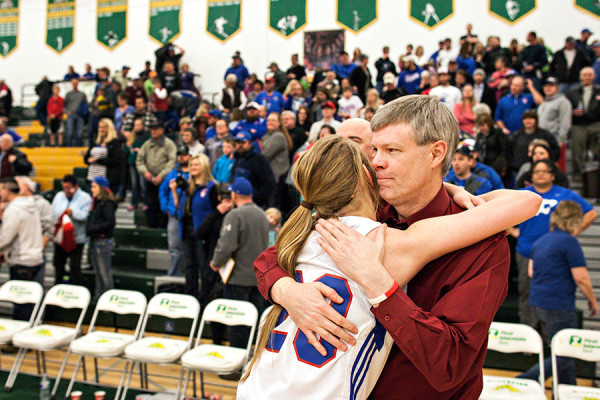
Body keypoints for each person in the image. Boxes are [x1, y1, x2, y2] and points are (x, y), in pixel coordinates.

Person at [252, 95, 542, 399]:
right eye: (375, 149)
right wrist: (288, 291)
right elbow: (271, 258)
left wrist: (382, 289)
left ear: (436, 154)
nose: (377, 161)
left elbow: (450, 364)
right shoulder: (363, 210)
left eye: (392, 150)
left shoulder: (483, 242)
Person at [518, 200, 598, 386]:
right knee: (564, 354)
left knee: (562, 351)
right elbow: (581, 278)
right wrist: (593, 301)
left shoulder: (541, 241)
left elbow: (531, 272)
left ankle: (566, 391)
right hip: (558, 304)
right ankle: (523, 382)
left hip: (538, 302)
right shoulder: (569, 242)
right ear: (575, 220)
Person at [513, 159, 597, 329]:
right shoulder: (522, 194)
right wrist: (512, 230)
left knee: (554, 292)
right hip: (526, 251)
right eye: (536, 171)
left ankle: (547, 336)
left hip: (556, 252)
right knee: (526, 294)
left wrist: (574, 231)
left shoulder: (565, 194)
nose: (540, 174)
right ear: (531, 175)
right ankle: (528, 333)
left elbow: (591, 213)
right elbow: (499, 211)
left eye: (544, 171)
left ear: (552, 175)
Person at [210, 177, 271, 349]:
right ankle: (253, 358)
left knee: (237, 323)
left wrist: (215, 263)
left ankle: (236, 360)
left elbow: (226, 246)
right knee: (255, 321)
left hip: (237, 278)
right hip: (258, 278)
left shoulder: (234, 215)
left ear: (234, 195)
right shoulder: (262, 215)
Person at [171, 153, 218, 300]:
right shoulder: (187, 187)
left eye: (196, 164)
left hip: (202, 233)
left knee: (203, 266)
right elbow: (179, 208)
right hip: (186, 230)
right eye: (191, 165)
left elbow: (216, 211)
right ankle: (190, 296)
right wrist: (174, 191)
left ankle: (204, 298)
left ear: (204, 166)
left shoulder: (211, 187)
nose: (193, 167)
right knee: (189, 265)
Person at [0, 177, 43, 321]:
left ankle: (21, 332)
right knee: (31, 301)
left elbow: (6, 238)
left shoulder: (13, 209)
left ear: (7, 190)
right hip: (35, 258)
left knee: (20, 304)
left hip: (21, 260)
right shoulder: (32, 206)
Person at [51, 174, 91, 286]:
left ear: (76, 186)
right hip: (60, 238)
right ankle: (58, 286)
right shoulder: (59, 196)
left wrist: (73, 213)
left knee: (75, 266)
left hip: (76, 238)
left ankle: (76, 288)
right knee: (58, 264)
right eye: (64, 188)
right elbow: (53, 212)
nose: (66, 190)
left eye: (68, 188)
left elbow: (85, 216)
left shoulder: (85, 198)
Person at [136, 121, 177, 228]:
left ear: (162, 130)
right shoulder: (146, 144)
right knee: (151, 206)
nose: (153, 131)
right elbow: (139, 161)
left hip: (165, 181)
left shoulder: (169, 144)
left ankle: (163, 229)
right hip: (150, 180)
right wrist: (145, 172)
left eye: (156, 129)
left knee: (163, 205)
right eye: (152, 129)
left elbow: (172, 161)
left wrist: (162, 175)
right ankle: (151, 228)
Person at [160, 146, 191, 277]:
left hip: (189, 215)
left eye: (184, 154)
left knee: (188, 247)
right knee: (174, 247)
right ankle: (173, 275)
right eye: (179, 155)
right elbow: (163, 190)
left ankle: (185, 275)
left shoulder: (193, 173)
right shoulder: (173, 173)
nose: (181, 157)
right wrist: (166, 207)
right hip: (174, 214)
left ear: (189, 156)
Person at [566, 67, 600, 178]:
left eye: (589, 75)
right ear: (580, 77)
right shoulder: (572, 92)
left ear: (594, 76)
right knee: (577, 147)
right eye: (585, 75)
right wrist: (573, 112)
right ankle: (578, 174)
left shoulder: (599, 91)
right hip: (579, 124)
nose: (587, 77)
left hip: (596, 123)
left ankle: (594, 173)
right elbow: (566, 109)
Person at [87, 177, 117, 299]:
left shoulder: (107, 204)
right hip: (95, 240)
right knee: (98, 273)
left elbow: (110, 222)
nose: (91, 189)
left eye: (94, 187)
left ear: (101, 188)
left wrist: (94, 228)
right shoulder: (97, 203)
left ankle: (107, 297)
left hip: (102, 241)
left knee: (104, 273)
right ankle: (98, 295)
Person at [230, 131, 276, 209]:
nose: (240, 145)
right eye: (238, 142)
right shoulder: (236, 158)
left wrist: (256, 199)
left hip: (255, 204)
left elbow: (269, 183)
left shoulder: (259, 159)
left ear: (250, 143)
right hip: (238, 202)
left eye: (243, 142)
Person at [84, 119, 125, 195]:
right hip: (92, 177)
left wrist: (98, 160)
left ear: (109, 128)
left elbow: (117, 160)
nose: (101, 129)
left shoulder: (114, 143)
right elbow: (86, 157)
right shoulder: (95, 142)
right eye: (99, 127)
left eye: (103, 127)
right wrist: (88, 160)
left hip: (106, 179)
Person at [261, 113, 292, 206]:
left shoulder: (278, 136)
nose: (270, 122)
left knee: (273, 206)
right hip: (269, 177)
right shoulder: (267, 135)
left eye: (273, 120)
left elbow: (265, 154)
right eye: (269, 120)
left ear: (279, 123)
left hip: (277, 178)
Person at [125, 118, 149, 211]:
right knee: (134, 184)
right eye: (135, 125)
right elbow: (127, 151)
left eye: (139, 125)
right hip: (132, 162)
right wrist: (128, 146)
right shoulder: (131, 137)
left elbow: (148, 149)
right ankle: (134, 203)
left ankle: (146, 202)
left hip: (142, 163)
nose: (137, 127)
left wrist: (140, 150)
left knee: (143, 184)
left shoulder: (147, 136)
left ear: (143, 126)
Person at [64, 79, 88, 147]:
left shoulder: (82, 94)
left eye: (76, 83)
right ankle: (69, 148)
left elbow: (86, 104)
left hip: (80, 115)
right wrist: (67, 112)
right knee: (70, 132)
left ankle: (78, 147)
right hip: (71, 114)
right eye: (73, 83)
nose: (75, 84)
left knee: (79, 133)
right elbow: (65, 105)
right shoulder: (68, 94)